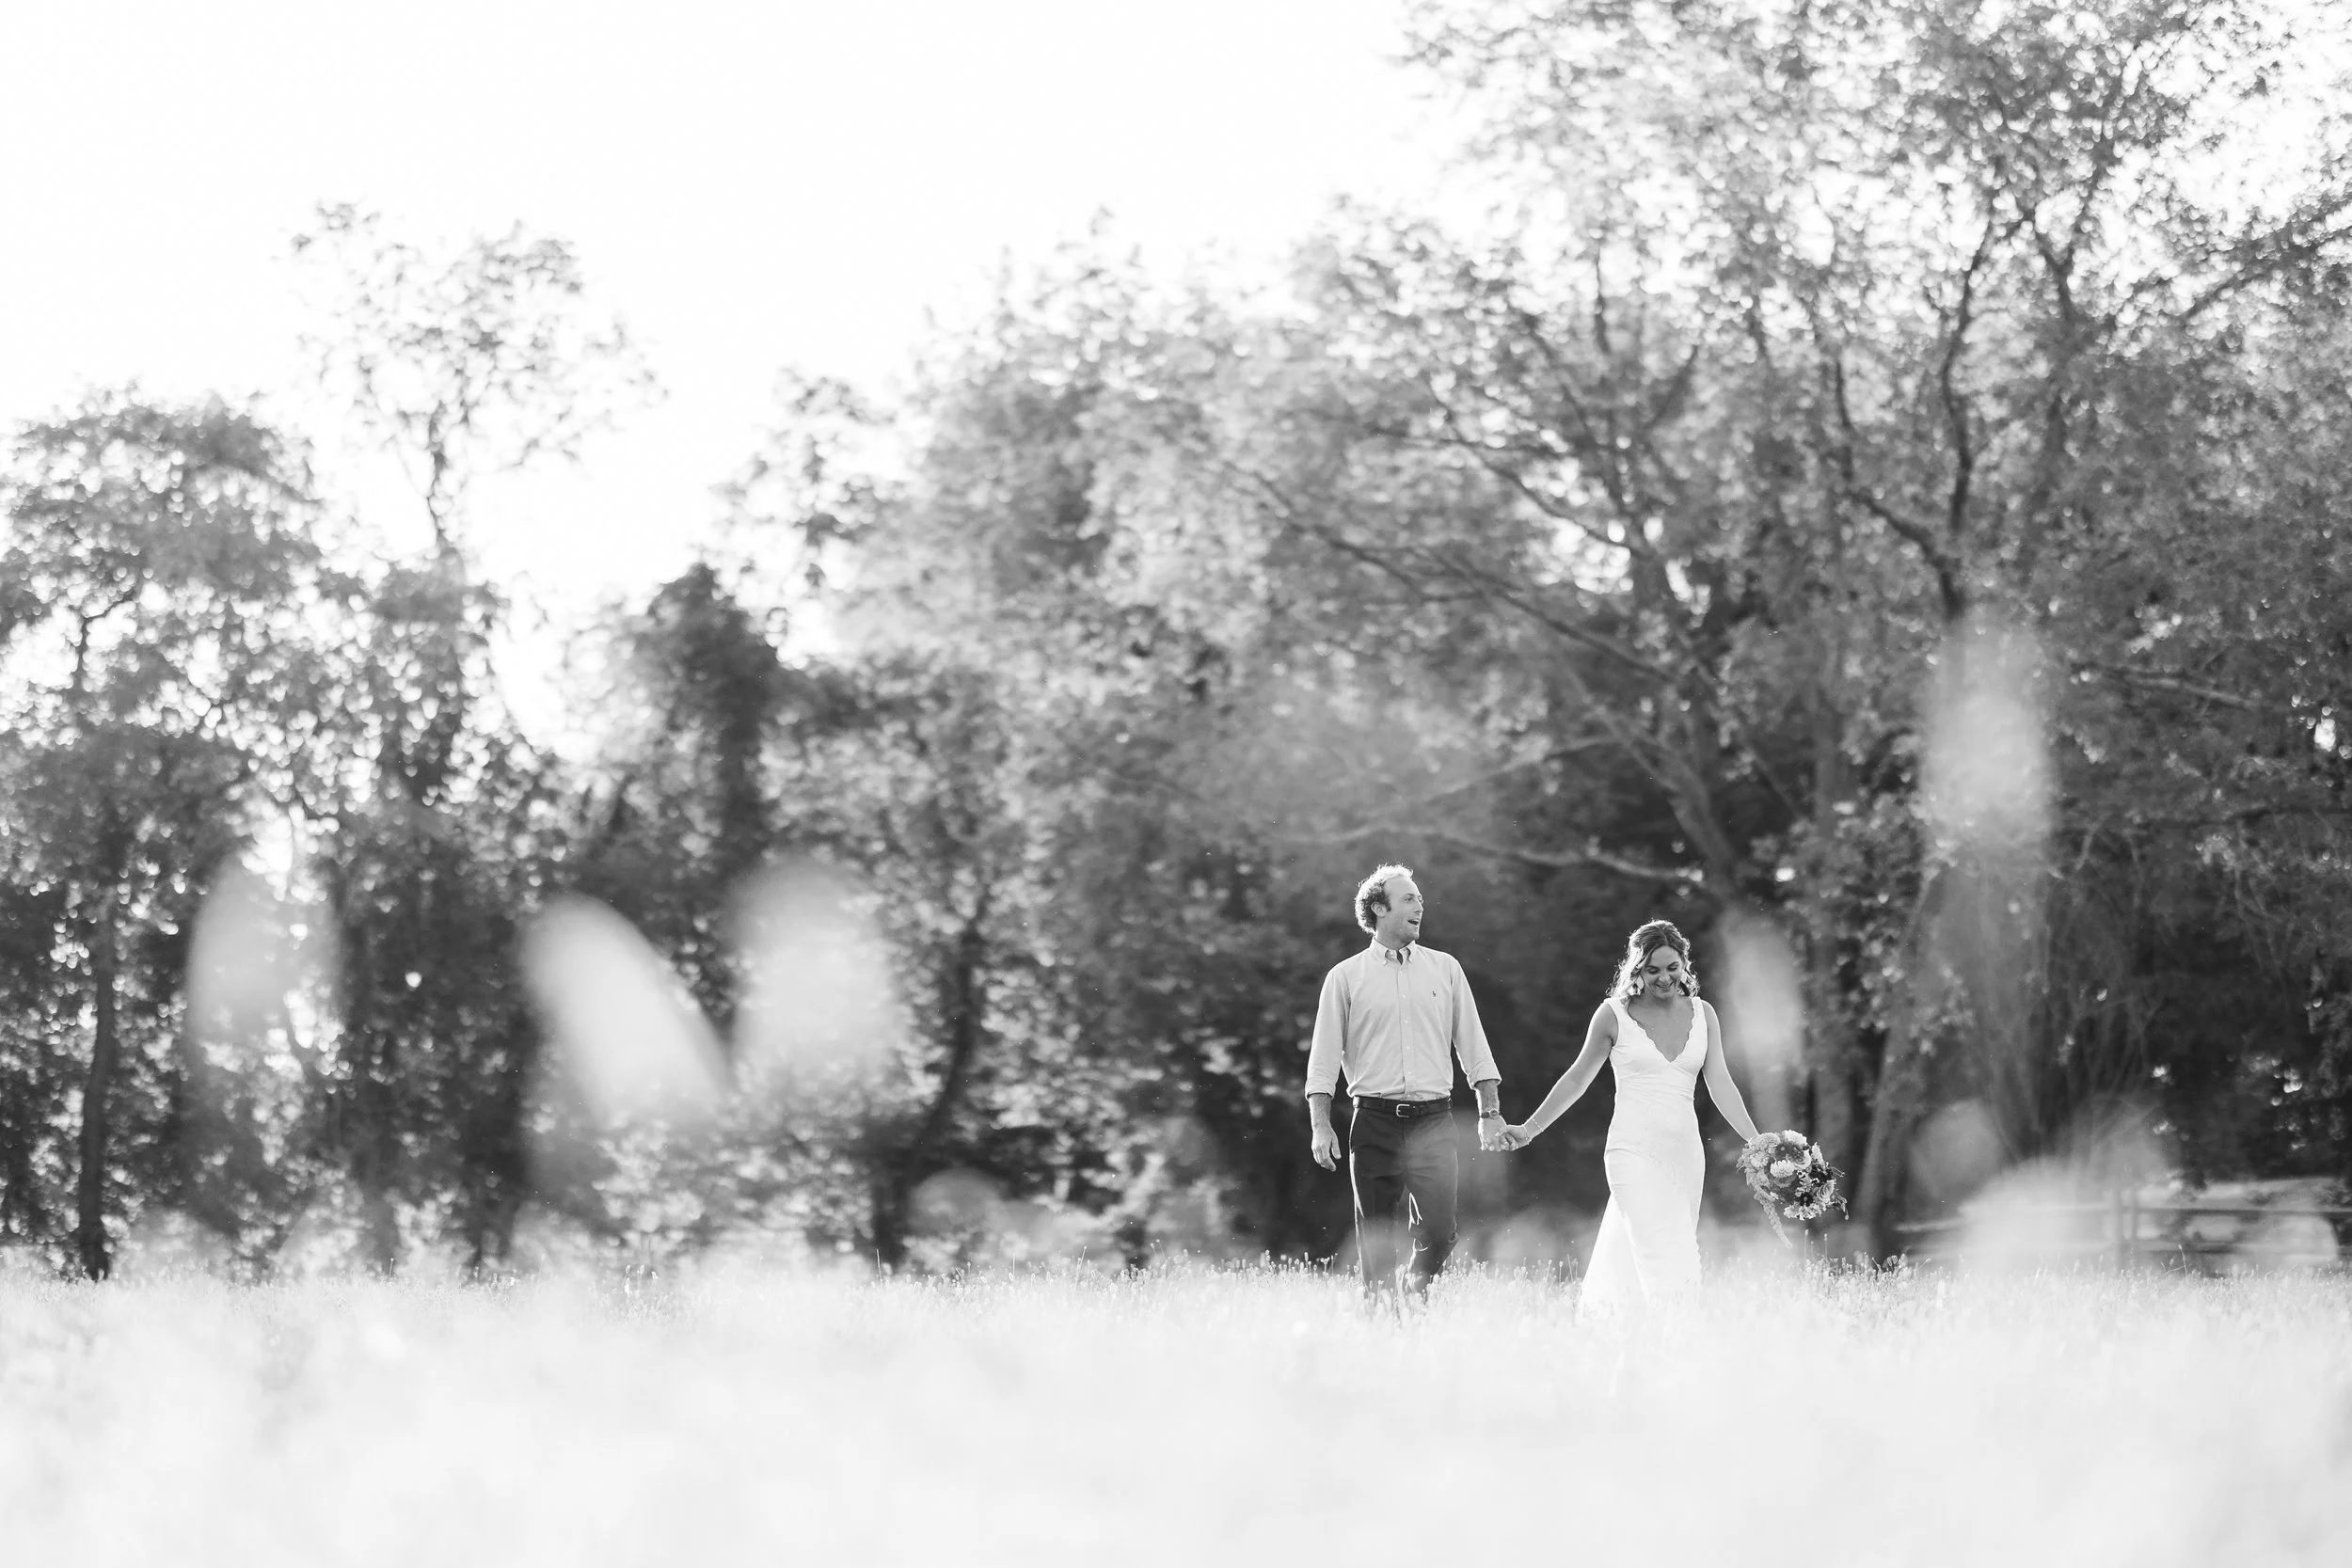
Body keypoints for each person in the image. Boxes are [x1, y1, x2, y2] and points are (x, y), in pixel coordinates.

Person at [1496, 920, 1765, 1308]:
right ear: (1636, 969)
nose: (1663, 978)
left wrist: (1755, 1141)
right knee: (1666, 1255)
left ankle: (1626, 1338)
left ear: (1685, 965)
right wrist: (1530, 1128)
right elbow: (1576, 1080)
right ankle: (1678, 1335)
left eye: (1672, 968)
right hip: (1631, 1152)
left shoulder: (1703, 1014)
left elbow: (1720, 1082)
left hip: (1685, 1157)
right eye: (1652, 969)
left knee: (1667, 1246)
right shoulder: (1613, 1015)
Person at [1305, 863, 1504, 1303]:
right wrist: (1321, 1124)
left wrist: (1489, 1113)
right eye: (1409, 898)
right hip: (1373, 1120)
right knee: (1375, 1235)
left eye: (1419, 898)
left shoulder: (1445, 969)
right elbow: (1322, 1061)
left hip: (1434, 1121)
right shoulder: (1345, 977)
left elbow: (1475, 1047)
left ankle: (1414, 1293)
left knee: (1441, 1230)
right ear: (1379, 908)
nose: (1421, 905)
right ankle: (1380, 1318)